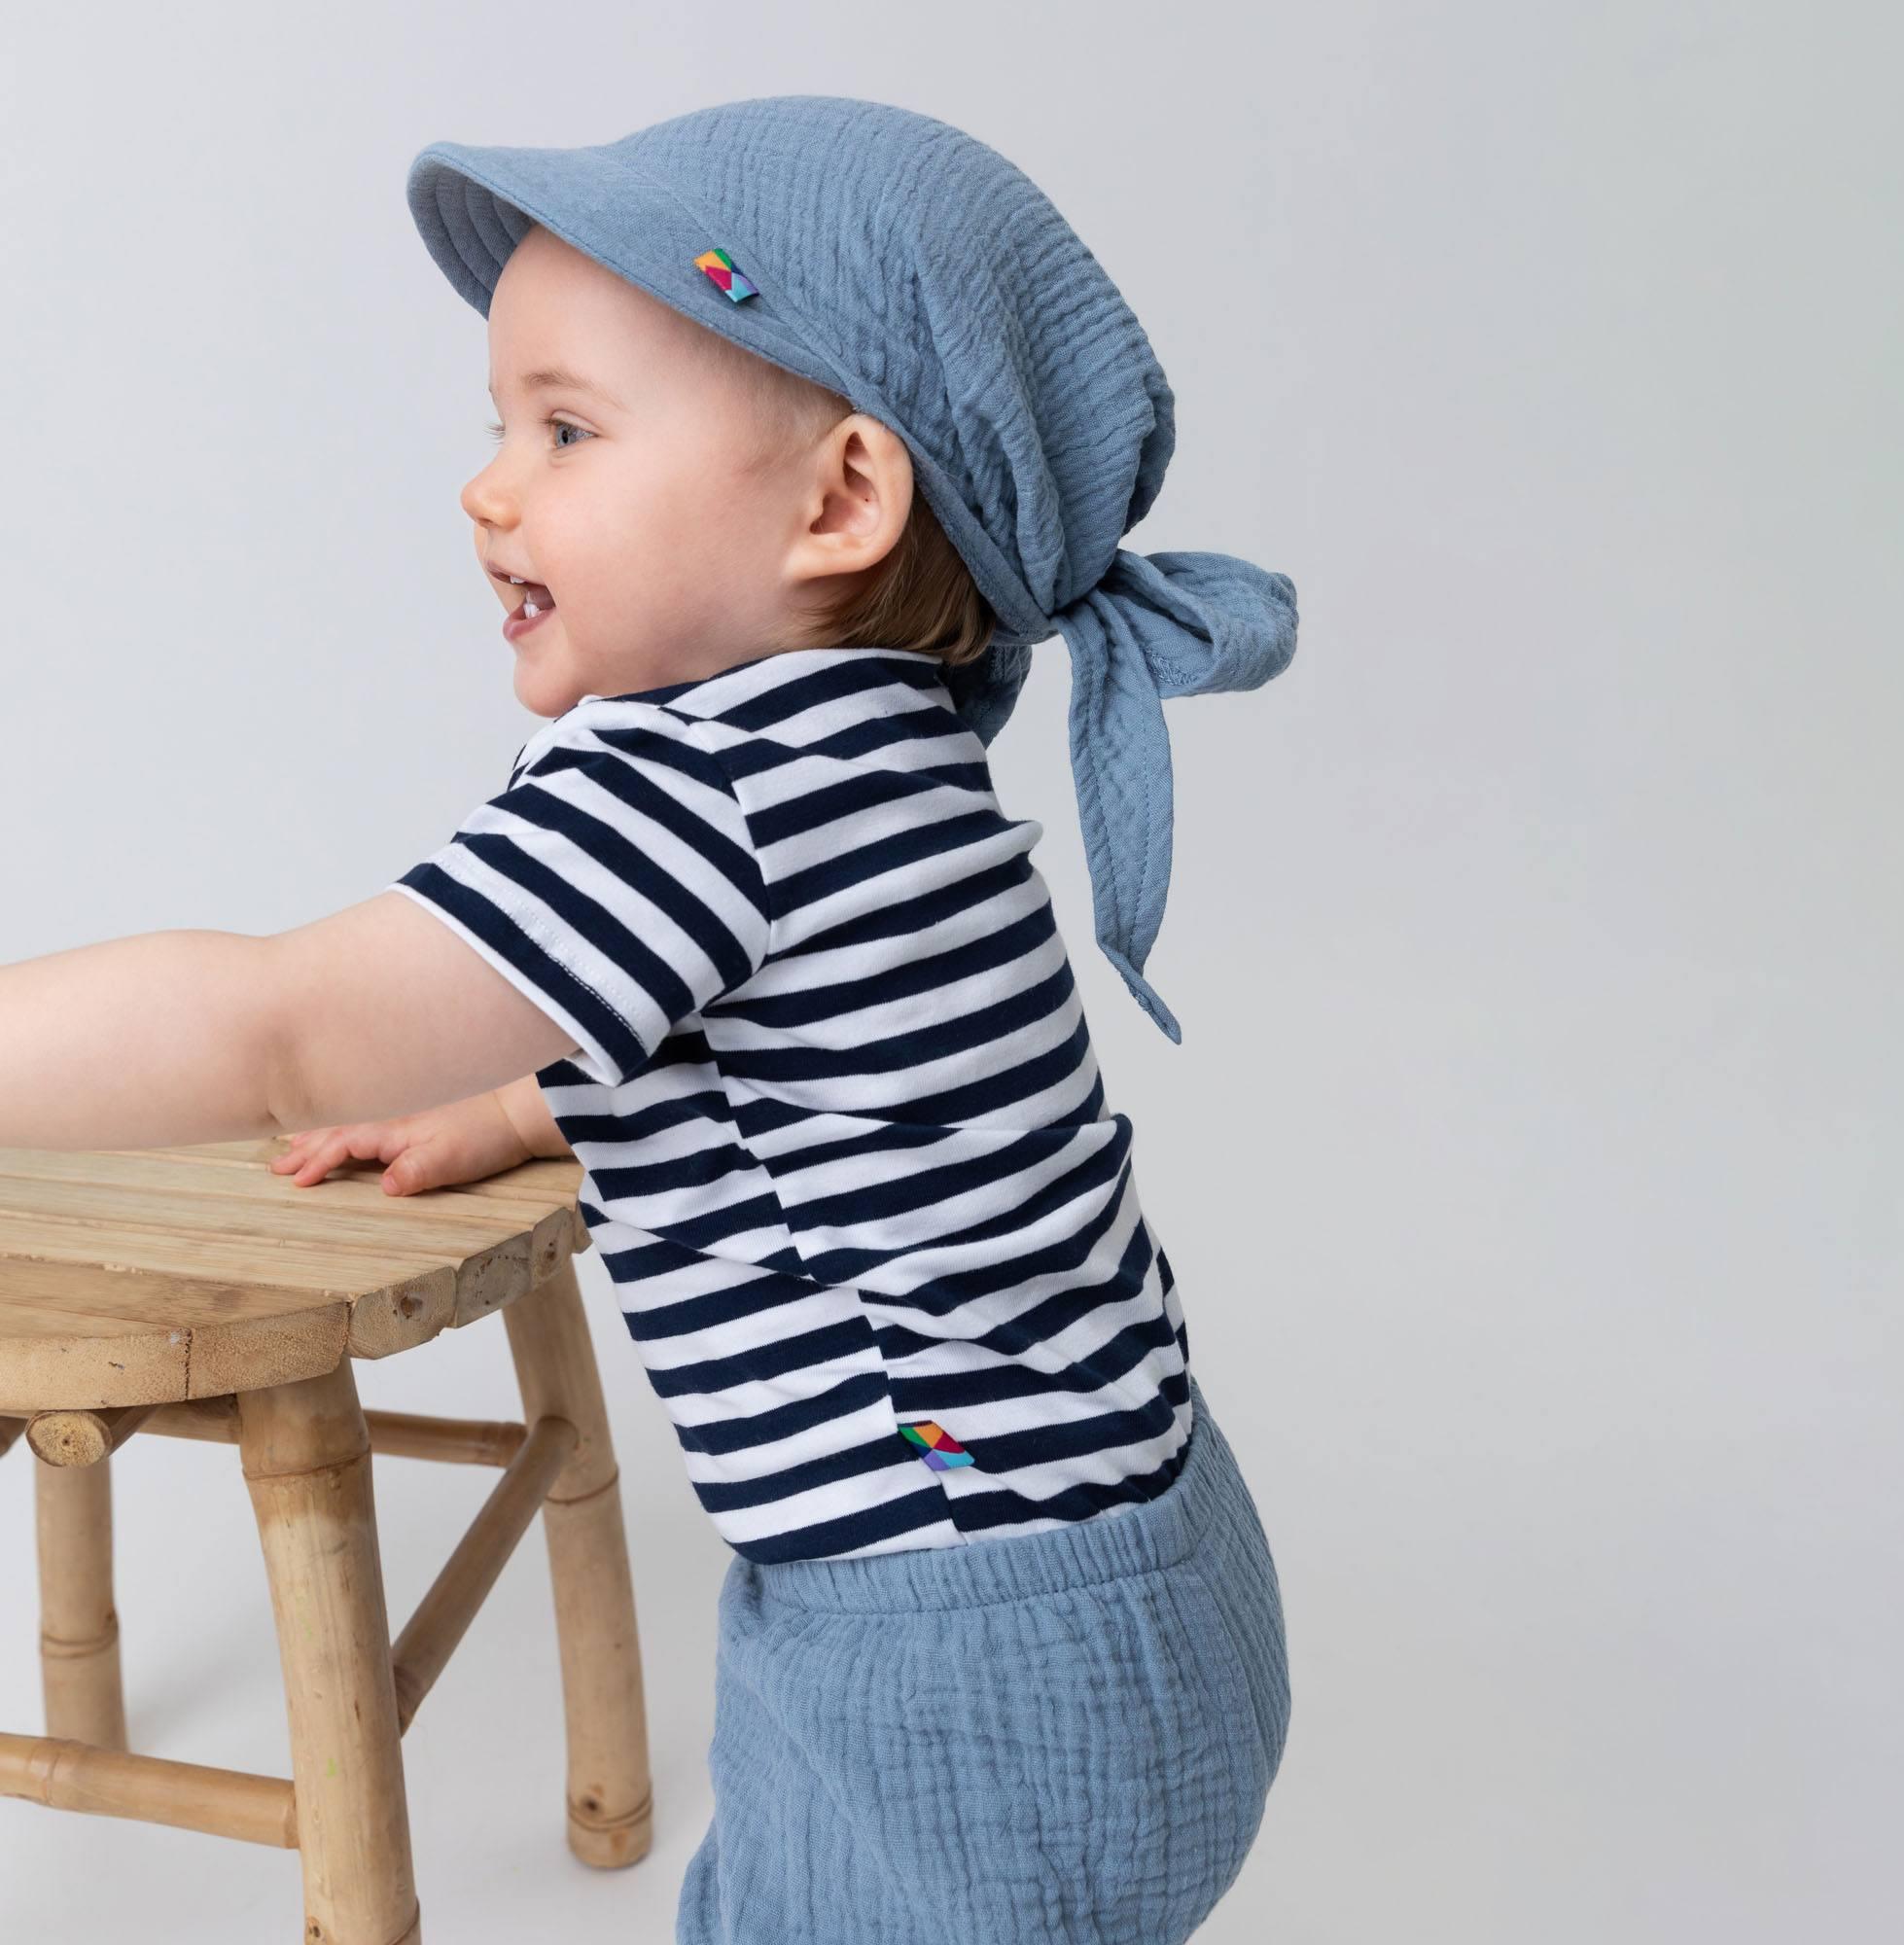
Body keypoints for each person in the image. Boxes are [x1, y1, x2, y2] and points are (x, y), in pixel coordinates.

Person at [6, 95, 1298, 1943]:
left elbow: (279, 1028)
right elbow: (844, 1082)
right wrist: (530, 1110)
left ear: (843, 500)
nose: (490, 486)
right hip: (1132, 1552)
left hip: (948, 1640)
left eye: (568, 429)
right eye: (499, 425)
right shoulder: (883, 748)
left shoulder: (707, 778)